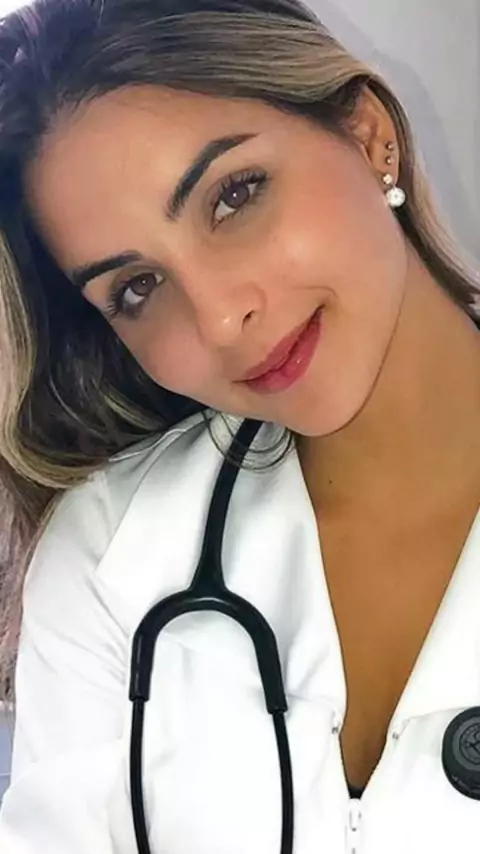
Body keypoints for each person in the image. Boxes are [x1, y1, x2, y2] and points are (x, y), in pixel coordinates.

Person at [0, 0, 479, 850]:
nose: (221, 320)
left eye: (234, 196)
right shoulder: (108, 556)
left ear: (369, 135)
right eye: (137, 289)